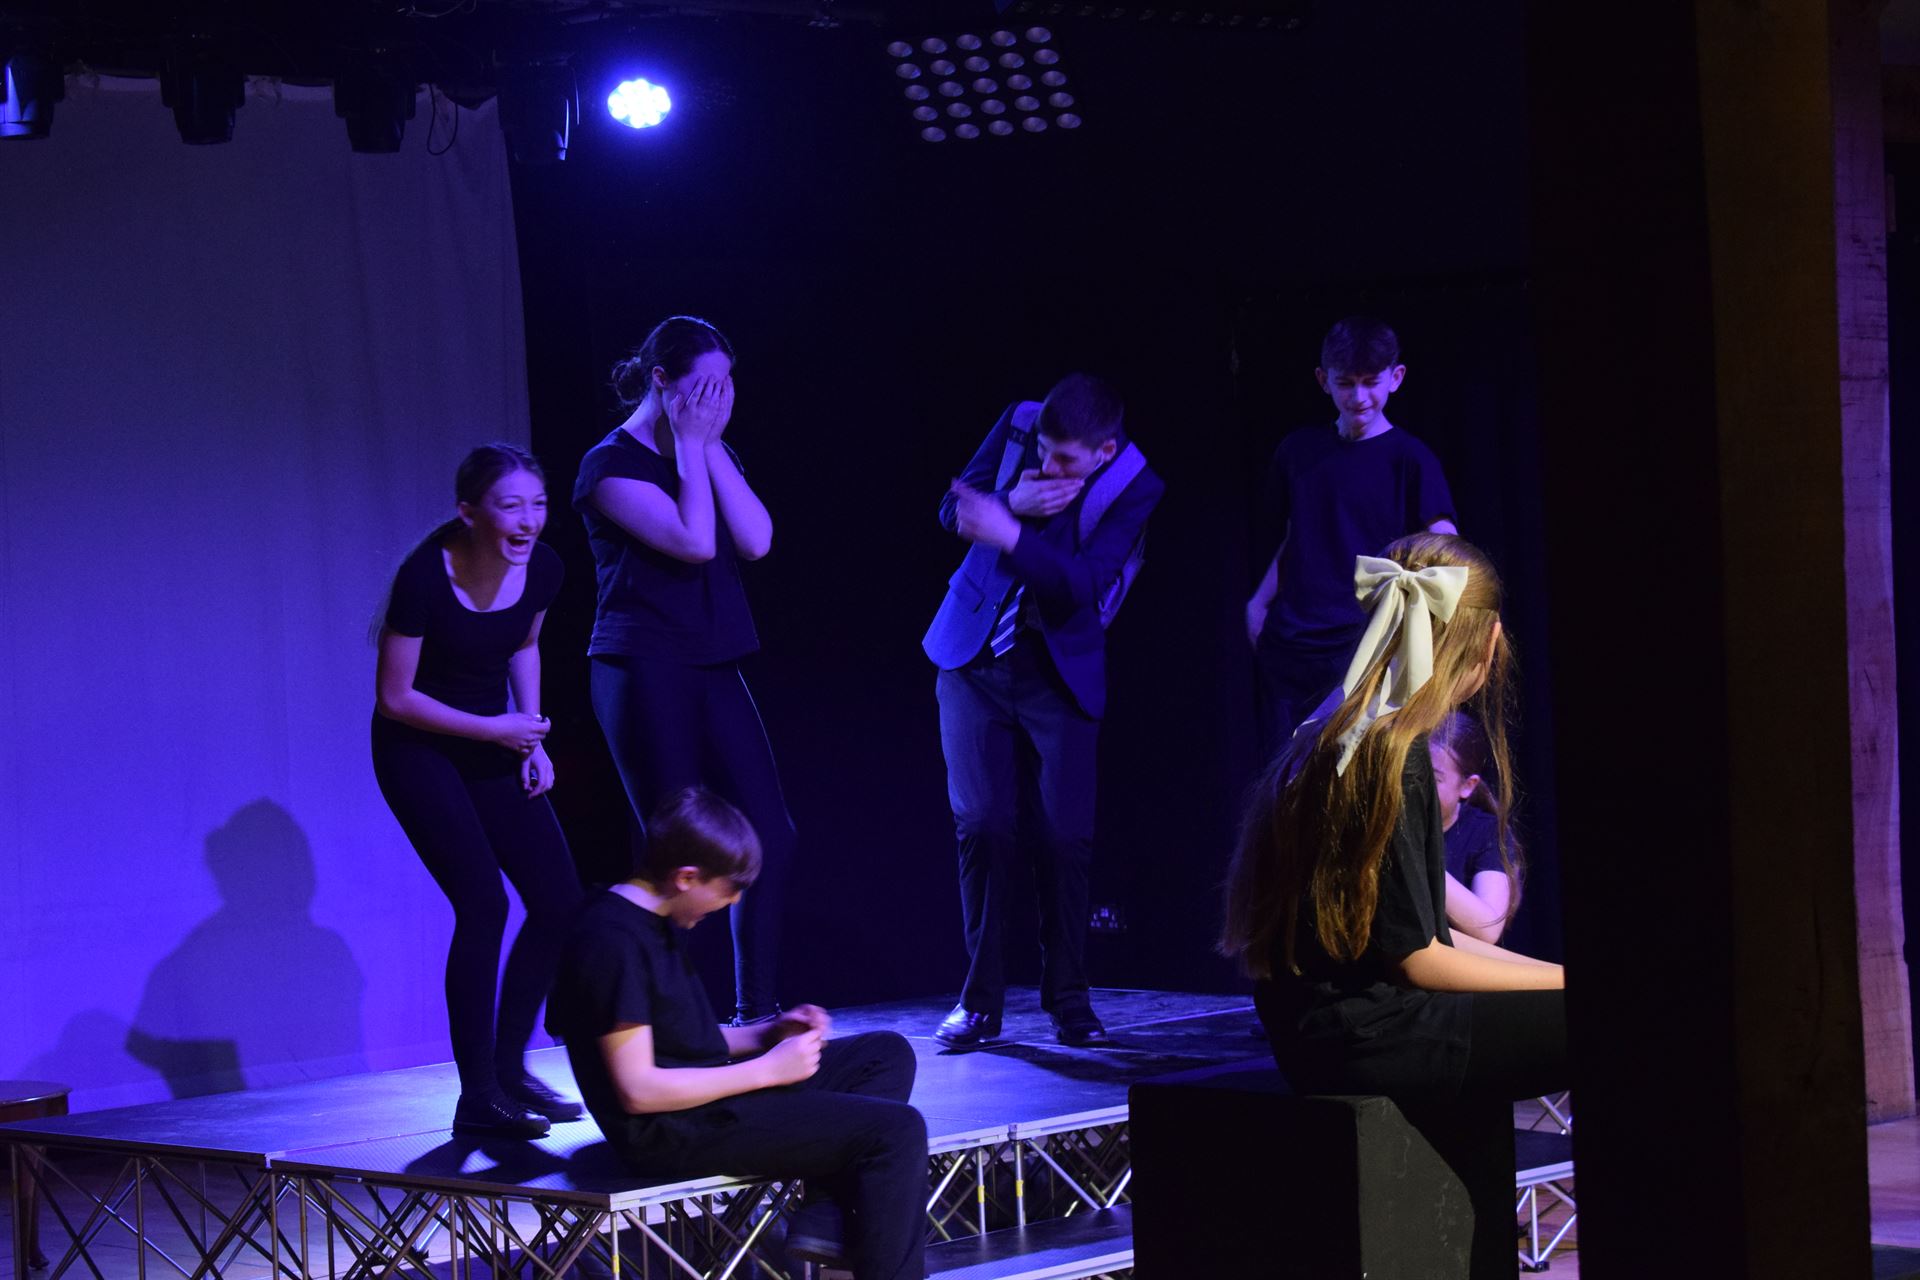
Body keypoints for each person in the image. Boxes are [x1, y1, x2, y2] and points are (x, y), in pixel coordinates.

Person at [1220, 530, 1564, 1107]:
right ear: (1490, 640)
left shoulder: (1336, 728)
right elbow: (1419, 960)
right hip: (1374, 1039)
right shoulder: (1395, 753)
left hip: (1316, 1032)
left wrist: (1557, 977)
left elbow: (1429, 937)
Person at [546, 787, 928, 1280]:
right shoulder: (611, 940)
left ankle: (825, 1221)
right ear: (687, 877)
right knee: (895, 1131)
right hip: (672, 1130)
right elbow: (639, 1091)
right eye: (728, 889)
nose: (734, 900)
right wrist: (767, 1071)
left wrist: (770, 1034)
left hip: (707, 1100)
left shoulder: (654, 921)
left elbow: (684, 1041)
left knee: (884, 1054)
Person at [922, 374, 1165, 1049]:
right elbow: (952, 509)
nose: (1049, 466)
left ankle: (1069, 1000)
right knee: (983, 823)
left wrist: (1010, 530)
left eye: (1065, 460)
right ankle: (979, 1003)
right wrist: (1010, 501)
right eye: (1044, 451)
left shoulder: (1136, 484)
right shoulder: (1020, 422)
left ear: (1104, 451)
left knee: (1063, 837)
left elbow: (1083, 586)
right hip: (974, 657)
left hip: (1059, 674)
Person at [574, 315, 794, 1025]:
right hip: (641, 666)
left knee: (771, 833)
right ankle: (665, 1023)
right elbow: (695, 541)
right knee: (676, 852)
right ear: (661, 380)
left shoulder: (708, 450)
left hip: (713, 661)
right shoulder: (609, 466)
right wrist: (695, 447)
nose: (718, 401)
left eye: (728, 386)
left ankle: (754, 1013)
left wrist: (708, 447)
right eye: (705, 387)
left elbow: (756, 540)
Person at [373, 443, 585, 1138]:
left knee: (558, 901)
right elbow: (396, 698)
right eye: (510, 506)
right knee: (483, 904)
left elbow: (524, 644)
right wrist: (496, 729)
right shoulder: (424, 577)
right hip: (419, 748)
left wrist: (531, 737)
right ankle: (478, 1095)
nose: (528, 520)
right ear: (469, 512)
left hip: (493, 738)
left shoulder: (543, 567)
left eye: (538, 504)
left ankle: (511, 1068)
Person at [1245, 317, 1458, 759]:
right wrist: (1258, 603)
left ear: (1395, 378)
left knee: (1353, 772)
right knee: (1285, 776)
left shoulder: (1410, 459)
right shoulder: (1298, 452)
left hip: (1365, 644)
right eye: (1346, 383)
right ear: (1323, 381)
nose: (1359, 397)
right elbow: (1298, 535)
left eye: (1370, 382)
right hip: (1292, 645)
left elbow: (1446, 545)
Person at [1429, 710, 1519, 944]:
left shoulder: (1486, 831)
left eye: (1434, 779)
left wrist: (1416, 857)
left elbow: (1488, 929)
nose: (1417, 787)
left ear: (1467, 786)